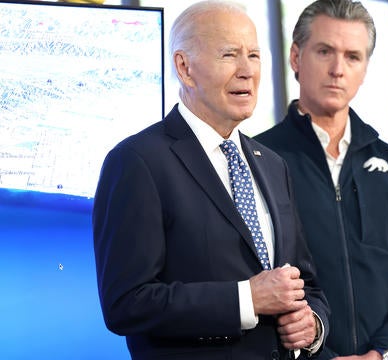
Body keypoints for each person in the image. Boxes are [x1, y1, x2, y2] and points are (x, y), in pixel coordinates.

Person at [92, 2, 329, 359]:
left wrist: (312, 323)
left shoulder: (273, 165)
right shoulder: (137, 162)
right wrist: (245, 299)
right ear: (184, 68)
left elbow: (304, 282)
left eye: (254, 55)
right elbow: (127, 302)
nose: (247, 70)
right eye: (229, 55)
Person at [254, 1, 388, 359]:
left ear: (365, 68)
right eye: (324, 51)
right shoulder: (259, 161)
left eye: (353, 56)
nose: (338, 69)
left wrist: (384, 353)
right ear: (296, 57)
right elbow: (257, 286)